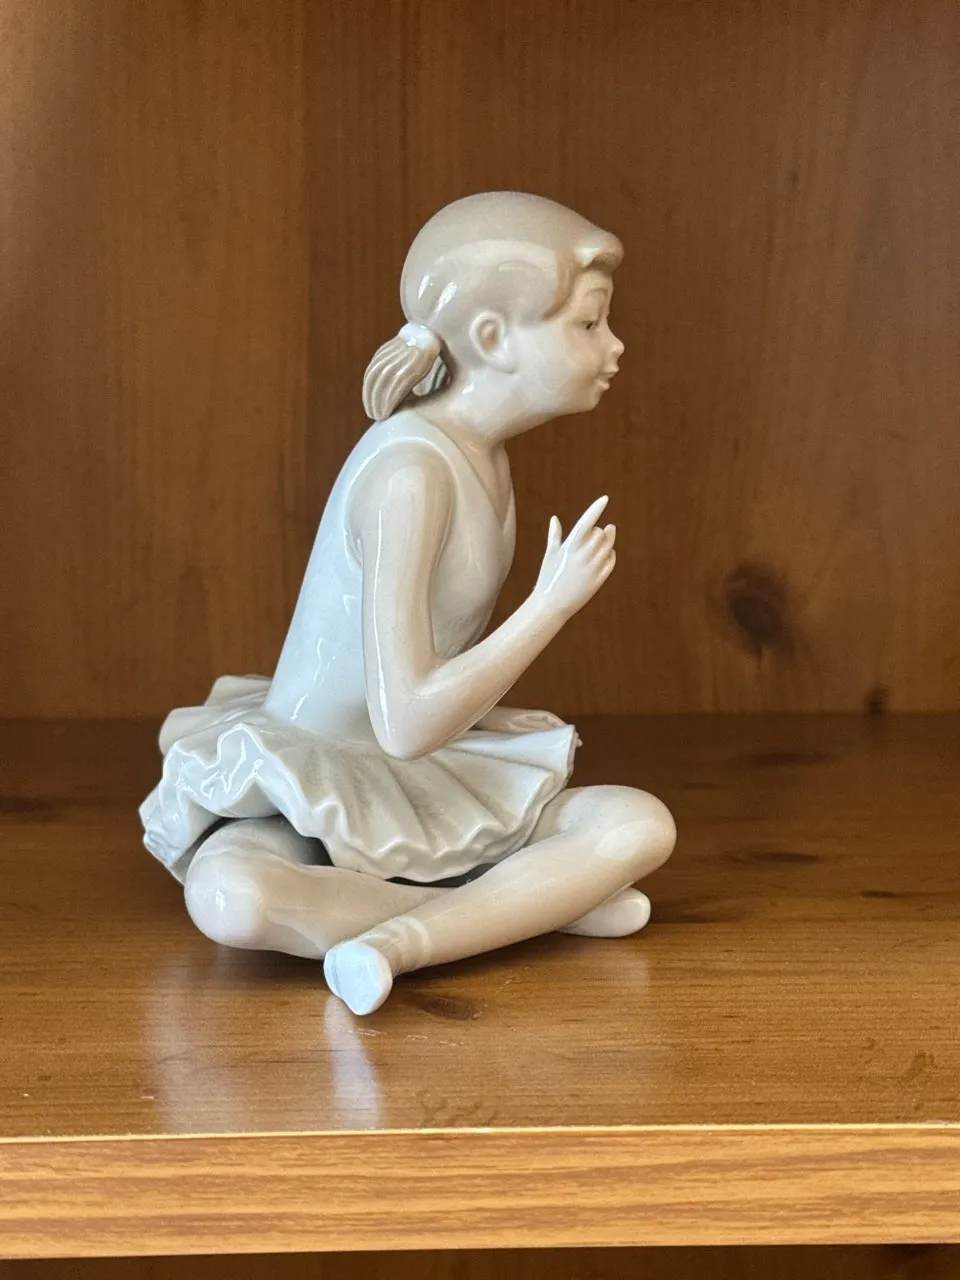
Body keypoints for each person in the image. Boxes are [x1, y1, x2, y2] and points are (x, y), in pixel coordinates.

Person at [140, 191, 676, 1015]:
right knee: (231, 898)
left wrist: (492, 715)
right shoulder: (411, 474)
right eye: (588, 322)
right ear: (493, 339)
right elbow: (404, 720)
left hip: (415, 775)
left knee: (640, 826)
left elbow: (421, 673)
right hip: (321, 773)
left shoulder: (481, 456)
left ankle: (412, 938)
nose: (615, 345)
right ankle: (523, 908)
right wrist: (550, 605)